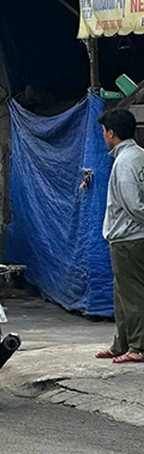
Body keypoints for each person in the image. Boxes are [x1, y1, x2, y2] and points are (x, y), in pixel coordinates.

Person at [96, 109, 144, 364]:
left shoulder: (125, 162)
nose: (103, 136)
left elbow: (132, 203)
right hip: (129, 238)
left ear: (111, 133)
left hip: (129, 238)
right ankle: (122, 344)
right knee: (123, 294)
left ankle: (138, 346)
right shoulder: (138, 156)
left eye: (104, 131)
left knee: (133, 295)